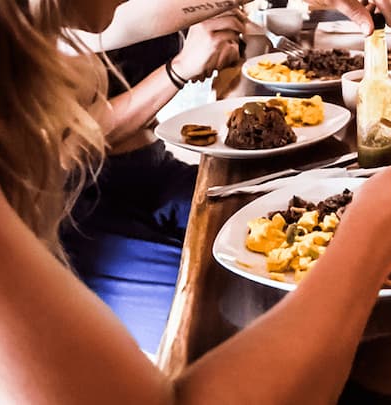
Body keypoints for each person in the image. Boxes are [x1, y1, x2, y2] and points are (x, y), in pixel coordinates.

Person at [0, 0, 391, 403]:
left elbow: (107, 26)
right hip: (93, 222)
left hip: (141, 179)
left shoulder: (22, 35)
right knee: (224, 319)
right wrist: (374, 233)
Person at [61, 12, 246, 355]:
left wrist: (223, 37)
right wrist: (179, 69)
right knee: (211, 321)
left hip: (153, 167)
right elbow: (69, 142)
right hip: (79, 210)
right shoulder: (29, 21)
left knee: (264, 235)